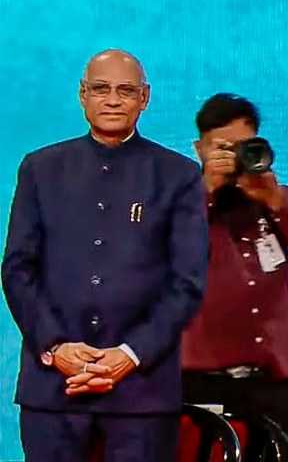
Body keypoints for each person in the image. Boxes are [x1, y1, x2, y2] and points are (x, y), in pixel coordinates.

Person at [1, 49, 208, 462]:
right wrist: (55, 347)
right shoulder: (40, 168)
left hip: (142, 393)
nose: (113, 99)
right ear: (82, 95)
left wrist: (128, 356)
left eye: (126, 90)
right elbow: (18, 268)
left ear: (145, 98)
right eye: (101, 89)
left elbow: (187, 283)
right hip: (53, 388)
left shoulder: (179, 176)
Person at [181, 93, 288, 462]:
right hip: (202, 385)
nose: (233, 157)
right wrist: (207, 189)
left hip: (276, 383)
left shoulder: (276, 199)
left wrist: (274, 199)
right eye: (223, 148)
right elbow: (162, 246)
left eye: (244, 147)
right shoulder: (180, 205)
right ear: (200, 149)